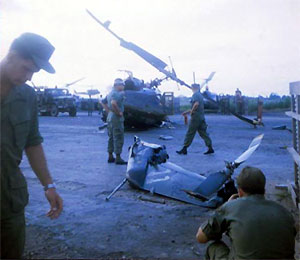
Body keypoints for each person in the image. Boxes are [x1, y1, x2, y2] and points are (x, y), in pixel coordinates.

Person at [0, 32, 63, 259]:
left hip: (8, 199)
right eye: (26, 69)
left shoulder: (27, 97)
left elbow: (32, 143)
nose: (28, 77)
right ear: (12, 55)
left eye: (33, 72)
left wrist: (49, 185)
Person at [196, 166, 296, 260]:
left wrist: (224, 208)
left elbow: (201, 238)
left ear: (239, 192)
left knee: (214, 247)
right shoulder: (284, 212)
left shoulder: (231, 207)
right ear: (264, 190)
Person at [177, 83, 214, 155]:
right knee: (203, 133)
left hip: (195, 118)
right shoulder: (200, 95)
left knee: (190, 133)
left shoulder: (195, 95)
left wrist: (191, 112)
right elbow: (197, 106)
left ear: (193, 88)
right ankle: (210, 148)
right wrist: (187, 112)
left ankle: (184, 148)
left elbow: (196, 104)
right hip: (201, 117)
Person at [106, 78, 127, 165]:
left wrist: (109, 111)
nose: (123, 87)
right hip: (116, 118)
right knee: (118, 137)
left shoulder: (110, 93)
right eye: (122, 85)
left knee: (111, 137)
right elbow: (114, 103)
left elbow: (103, 102)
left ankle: (110, 156)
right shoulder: (118, 94)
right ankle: (118, 158)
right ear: (117, 85)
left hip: (110, 116)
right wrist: (119, 112)